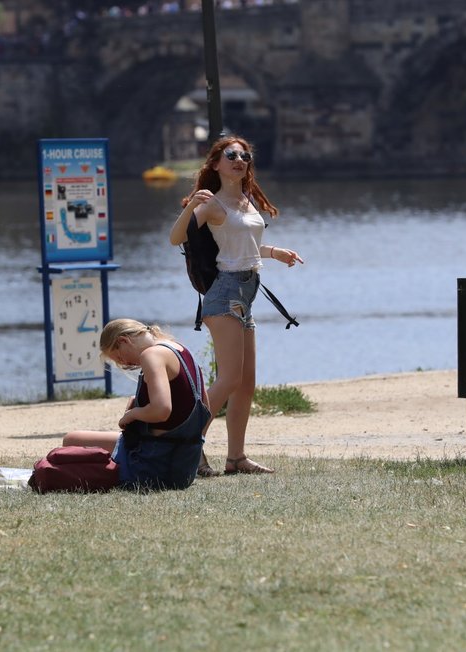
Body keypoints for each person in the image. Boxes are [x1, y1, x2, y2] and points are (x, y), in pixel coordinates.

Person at [169, 134, 304, 476]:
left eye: (245, 156)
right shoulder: (213, 203)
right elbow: (175, 238)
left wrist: (274, 252)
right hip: (224, 293)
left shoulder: (245, 201)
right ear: (216, 164)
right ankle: (186, 445)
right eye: (231, 155)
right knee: (228, 379)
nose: (240, 160)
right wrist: (189, 208)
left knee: (246, 382)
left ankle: (236, 458)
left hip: (246, 293)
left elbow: (244, 245)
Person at [62, 318, 210, 490]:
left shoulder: (151, 355)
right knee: (76, 441)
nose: (125, 365)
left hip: (152, 467)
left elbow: (162, 410)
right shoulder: (181, 350)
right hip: (184, 470)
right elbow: (204, 407)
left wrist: (132, 415)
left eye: (120, 358)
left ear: (123, 341)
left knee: (71, 440)